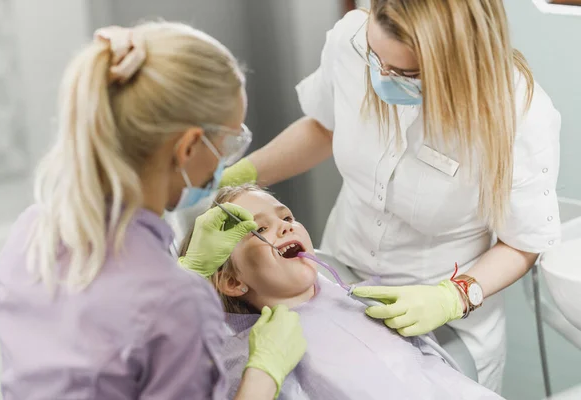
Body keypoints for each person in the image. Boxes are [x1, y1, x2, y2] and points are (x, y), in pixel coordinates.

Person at [215, 0, 561, 392]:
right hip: (340, 271)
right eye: (374, 57)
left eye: (405, 73)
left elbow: (523, 242)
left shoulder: (518, 114)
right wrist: (233, 179)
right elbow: (325, 129)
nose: (380, 75)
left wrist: (452, 296)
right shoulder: (351, 41)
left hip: (440, 314)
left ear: (457, 66)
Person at [0, 23, 305, 400]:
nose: (225, 162)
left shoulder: (31, 230)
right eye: (229, 144)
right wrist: (263, 373)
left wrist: (184, 277)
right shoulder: (175, 304)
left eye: (286, 218)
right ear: (187, 147)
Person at [180, 184, 504, 400]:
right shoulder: (250, 358)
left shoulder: (366, 301)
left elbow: (441, 370)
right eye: (260, 229)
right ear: (232, 282)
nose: (285, 227)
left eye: (287, 216)